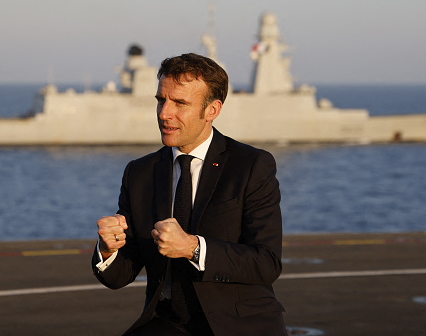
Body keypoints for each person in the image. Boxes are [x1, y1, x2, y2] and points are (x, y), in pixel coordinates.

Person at [92, 53, 287, 336]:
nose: (164, 113)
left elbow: (267, 263)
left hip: (238, 324)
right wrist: (109, 249)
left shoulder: (251, 166)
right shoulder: (139, 172)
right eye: (161, 100)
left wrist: (193, 248)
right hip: (167, 322)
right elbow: (119, 276)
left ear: (212, 110)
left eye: (180, 103)